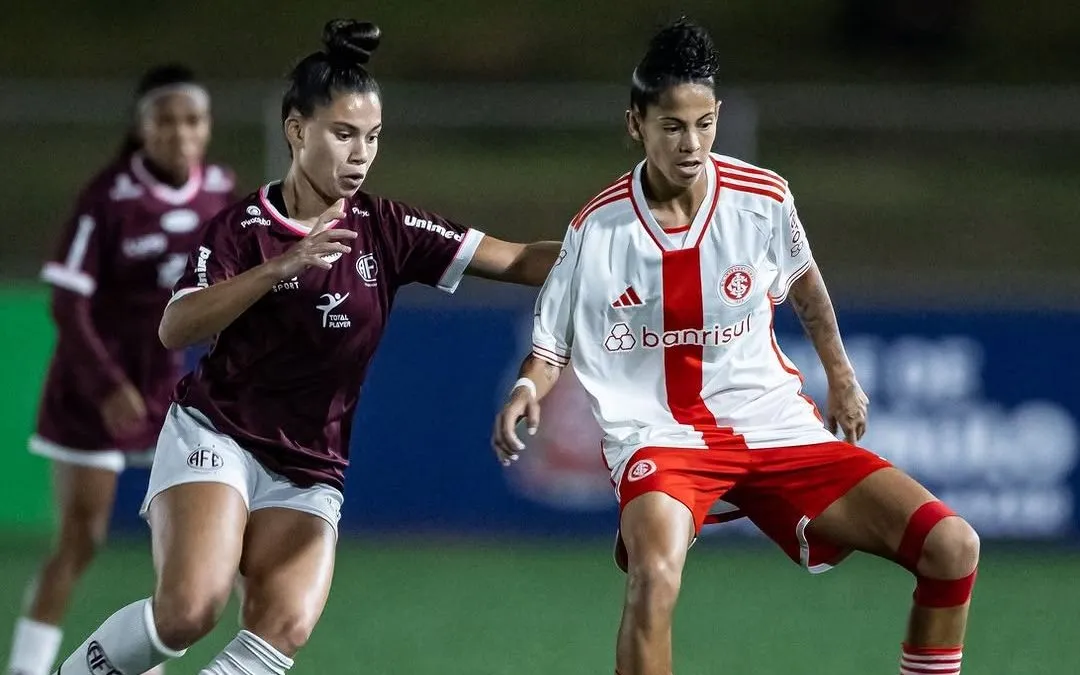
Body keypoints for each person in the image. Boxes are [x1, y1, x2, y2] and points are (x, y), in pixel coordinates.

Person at [50, 19, 560, 675]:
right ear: (296, 130)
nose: (360, 153)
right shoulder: (244, 226)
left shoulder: (388, 227)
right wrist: (276, 269)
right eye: (343, 134)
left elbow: (516, 257)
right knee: (188, 610)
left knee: (281, 630)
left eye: (372, 137)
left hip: (312, 463)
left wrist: (611, 246)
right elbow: (176, 326)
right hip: (220, 433)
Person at [493, 18, 979, 675]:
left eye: (703, 124)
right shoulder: (598, 228)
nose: (690, 143)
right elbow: (550, 347)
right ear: (635, 123)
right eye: (671, 126)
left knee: (951, 544)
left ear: (718, 117)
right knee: (654, 575)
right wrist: (527, 388)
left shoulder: (762, 198)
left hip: (771, 423)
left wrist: (841, 375)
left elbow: (805, 284)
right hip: (657, 434)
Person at [7, 64, 234, 675]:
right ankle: (28, 668)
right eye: (166, 120)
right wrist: (106, 383)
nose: (180, 133)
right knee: (82, 540)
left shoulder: (220, 190)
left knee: (180, 546)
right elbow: (67, 301)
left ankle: (138, 662)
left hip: (168, 391)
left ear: (207, 126)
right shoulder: (108, 197)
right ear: (141, 128)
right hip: (93, 391)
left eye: (193, 120)